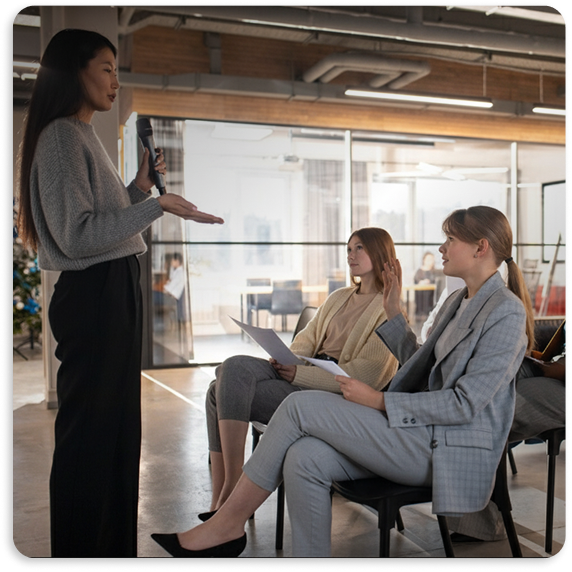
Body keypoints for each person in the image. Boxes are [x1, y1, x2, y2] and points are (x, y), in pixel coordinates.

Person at [151, 205, 535, 557]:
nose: (441, 247)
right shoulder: (459, 301)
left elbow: (465, 404)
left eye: (450, 239)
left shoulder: (505, 313)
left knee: (299, 405)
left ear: (481, 247)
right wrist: (393, 314)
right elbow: (421, 366)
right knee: (304, 458)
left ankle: (227, 524)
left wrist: (379, 401)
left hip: (446, 448)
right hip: (418, 432)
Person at [16, 28, 223, 557]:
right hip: (96, 295)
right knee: (92, 440)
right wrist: (158, 205)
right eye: (106, 68)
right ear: (73, 72)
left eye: (116, 68)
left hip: (112, 290)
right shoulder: (62, 135)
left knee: (113, 437)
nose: (115, 80)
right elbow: (78, 235)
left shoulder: (82, 135)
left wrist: (136, 188)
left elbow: (104, 222)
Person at [202, 227, 400, 518]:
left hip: (330, 395)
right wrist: (286, 360)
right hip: (301, 374)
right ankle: (226, 489)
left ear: (380, 253)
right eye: (348, 249)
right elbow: (306, 340)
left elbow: (364, 378)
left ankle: (226, 498)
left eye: (360, 248)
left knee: (216, 391)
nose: (351, 255)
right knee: (232, 366)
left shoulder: (389, 311)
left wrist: (299, 375)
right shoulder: (339, 297)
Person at [448, 320, 566, 542]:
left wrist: (558, 368)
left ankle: (482, 521)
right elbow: (555, 349)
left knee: (489, 405)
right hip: (555, 369)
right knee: (485, 380)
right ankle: (478, 510)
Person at [413, 251, 437, 320]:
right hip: (421, 297)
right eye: (429, 259)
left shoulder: (435, 271)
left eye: (432, 259)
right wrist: (421, 282)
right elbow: (416, 280)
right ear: (424, 260)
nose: (431, 261)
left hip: (431, 297)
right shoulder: (419, 271)